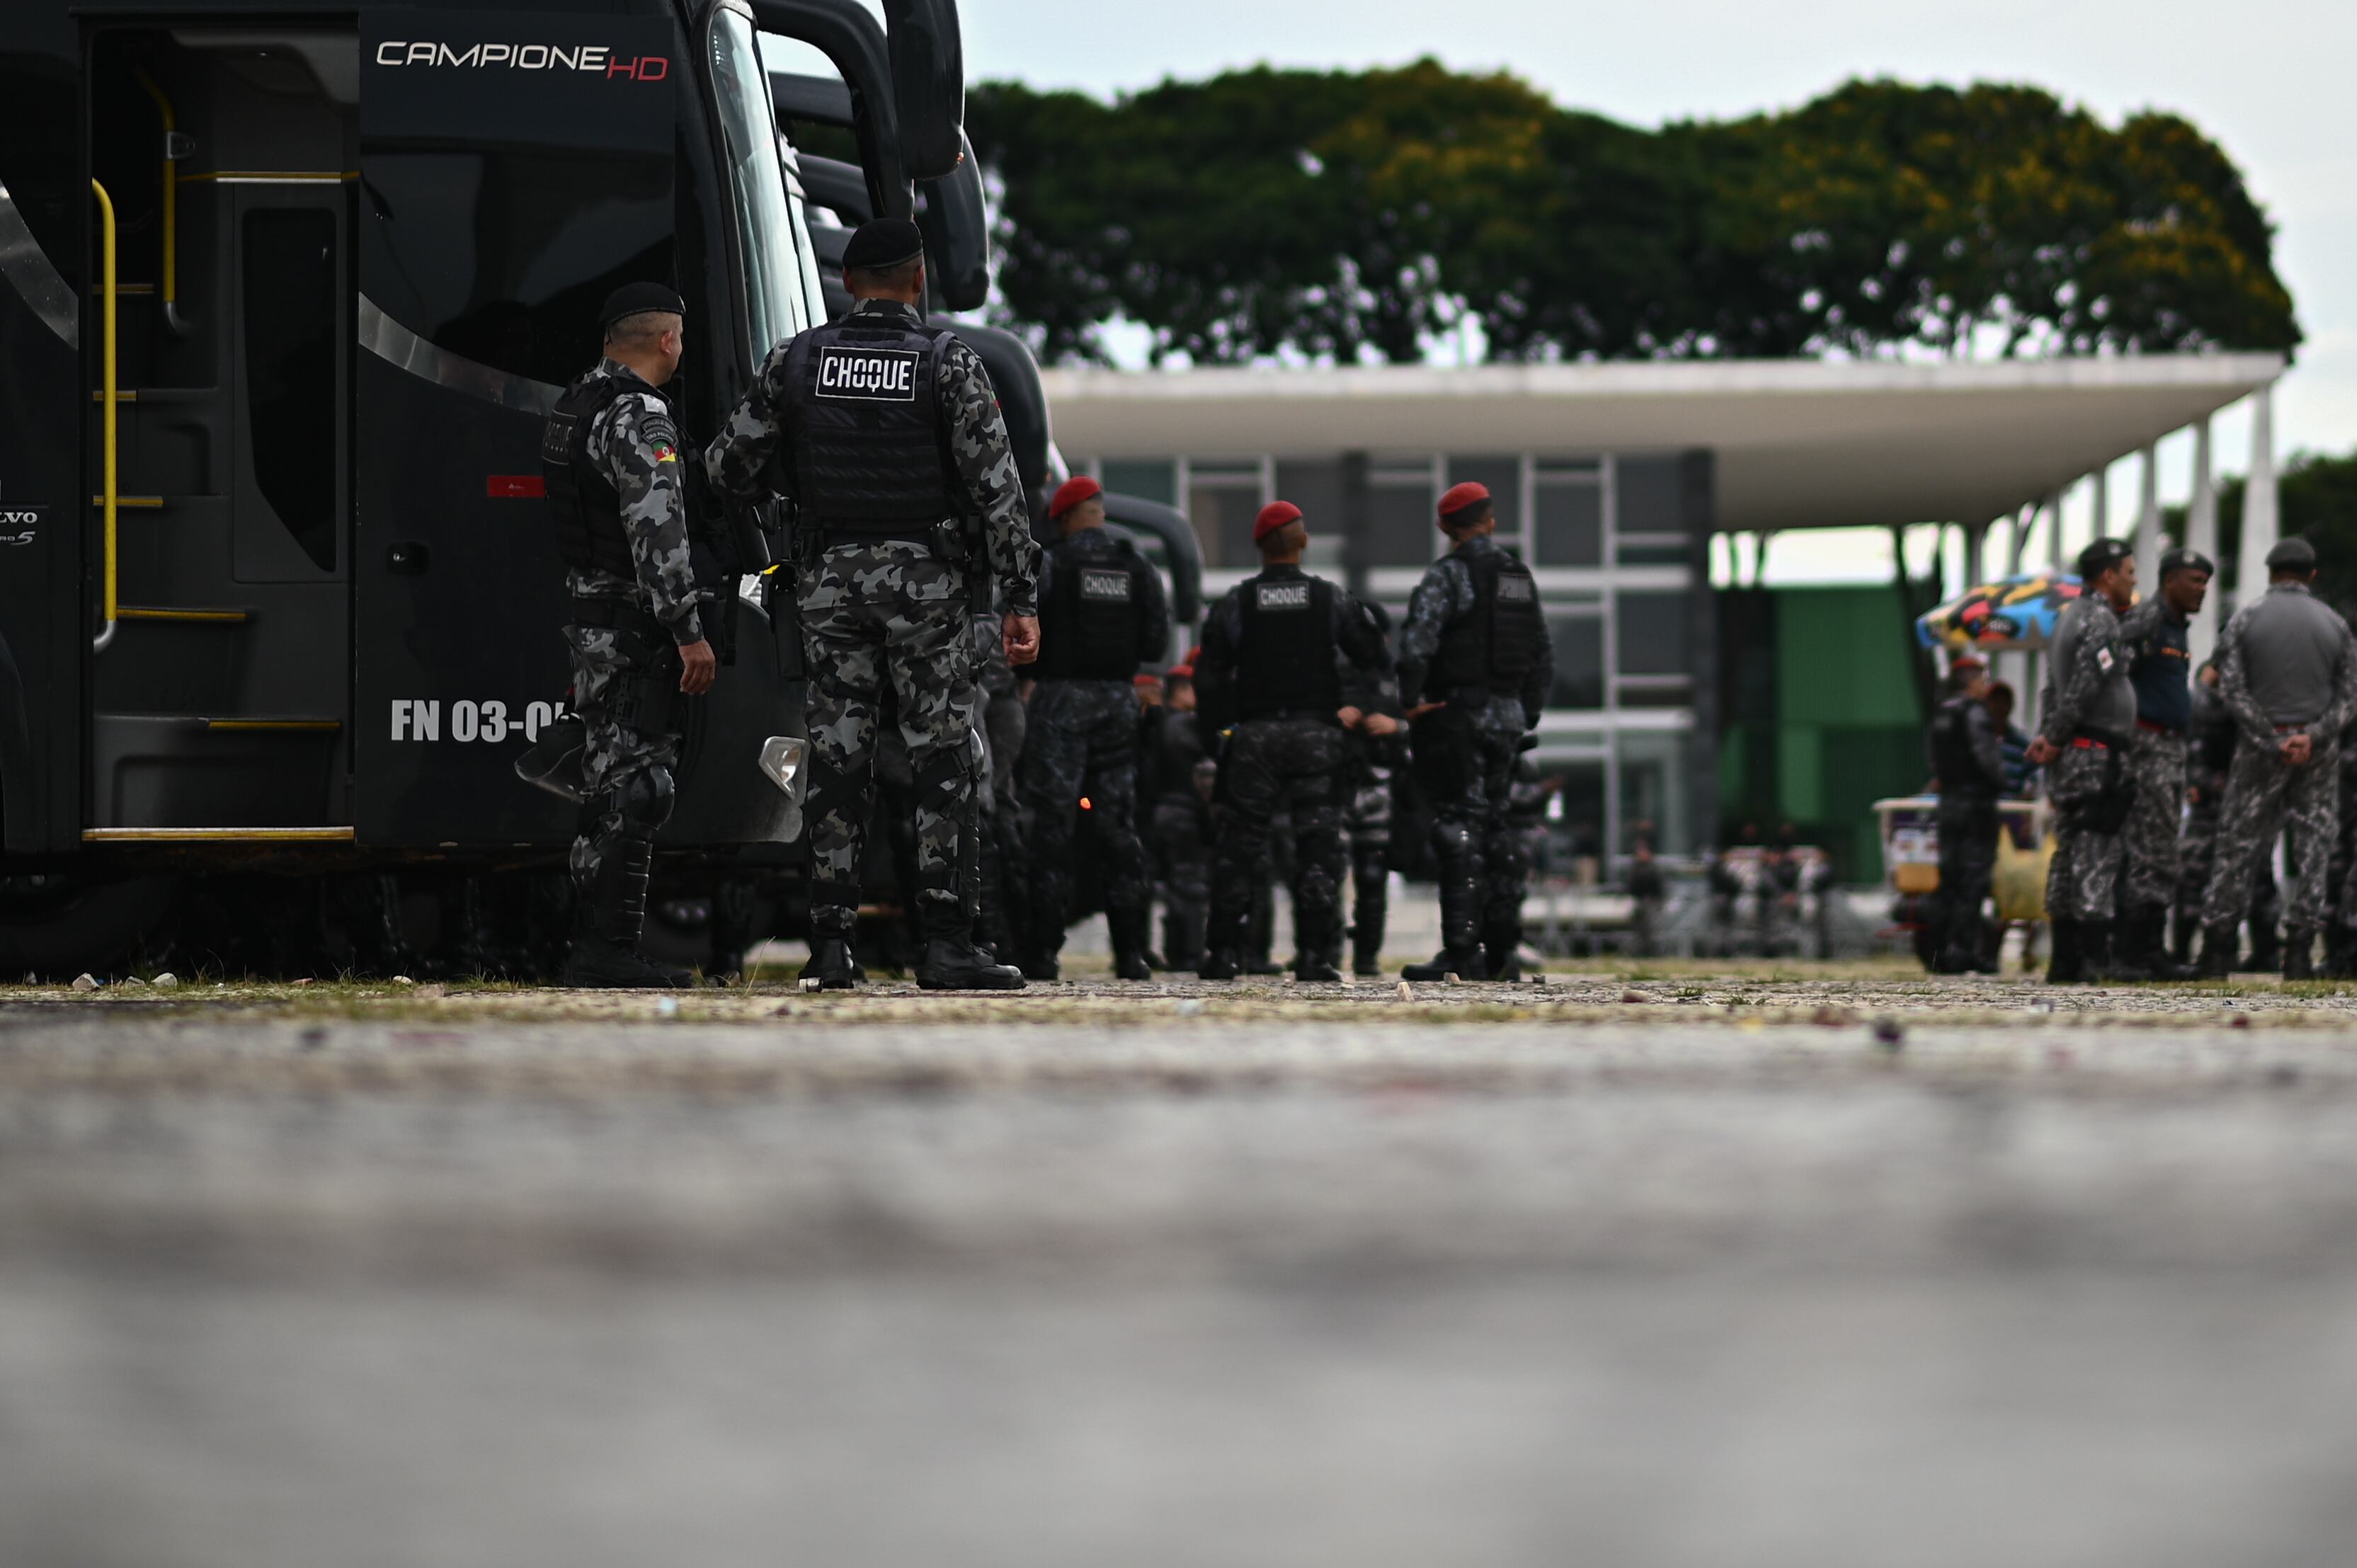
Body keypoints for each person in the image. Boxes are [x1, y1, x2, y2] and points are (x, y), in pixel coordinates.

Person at [705, 218, 1041, 991]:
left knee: (836, 759)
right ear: (917, 281)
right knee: (941, 756)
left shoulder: (795, 360)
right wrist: (1019, 595)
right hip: (928, 583)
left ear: (849, 283)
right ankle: (948, 946)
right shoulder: (947, 362)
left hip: (826, 580)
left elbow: (726, 465)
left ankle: (830, 949)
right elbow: (999, 490)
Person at [539, 282, 719, 988]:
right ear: (666, 339)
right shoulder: (639, 415)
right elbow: (656, 532)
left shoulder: (574, 401)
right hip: (633, 625)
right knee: (636, 783)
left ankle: (591, 944)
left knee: (606, 779)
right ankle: (605, 951)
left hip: (591, 617)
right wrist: (686, 628)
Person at [1192, 500, 1391, 980]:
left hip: (1255, 736)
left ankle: (1223, 954)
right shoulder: (1330, 600)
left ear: (1260, 546)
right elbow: (1375, 658)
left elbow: (1208, 675)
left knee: (1239, 847)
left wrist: (1223, 733)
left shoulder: (1236, 603)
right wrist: (1357, 706)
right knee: (1319, 845)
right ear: (1301, 542)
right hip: (1317, 735)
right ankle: (1317, 957)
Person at [1396, 481, 1556, 981]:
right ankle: (1504, 950)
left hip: (1459, 717)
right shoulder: (1518, 577)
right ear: (1489, 521)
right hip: (1505, 719)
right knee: (1498, 826)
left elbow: (1417, 645)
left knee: (1459, 827)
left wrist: (1411, 704)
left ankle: (1462, 951)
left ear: (1446, 528)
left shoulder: (1448, 576)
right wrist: (1524, 713)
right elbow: (1540, 652)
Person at [1016, 475, 1170, 980]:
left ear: (1062, 517)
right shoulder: (1136, 564)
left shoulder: (1053, 563)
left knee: (1051, 830)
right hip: (1118, 703)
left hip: (1060, 702)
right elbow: (1154, 644)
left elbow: (1022, 627)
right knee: (1119, 832)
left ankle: (1041, 954)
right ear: (1099, 514)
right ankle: (1131, 954)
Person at [2193, 537, 2357, 979]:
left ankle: (2217, 951)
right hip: (2317, 756)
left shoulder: (2245, 620)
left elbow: (2229, 688)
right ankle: (2300, 953)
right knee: (2313, 851)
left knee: (2237, 848)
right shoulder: (2335, 624)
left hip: (2257, 752)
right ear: (2312, 575)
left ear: (2270, 574)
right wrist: (2311, 736)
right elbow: (2349, 697)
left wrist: (2270, 739)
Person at [2026, 537, 2139, 984]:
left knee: (2069, 849)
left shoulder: (2067, 618)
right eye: (2129, 573)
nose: (2133, 582)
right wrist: (2054, 737)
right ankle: (2094, 959)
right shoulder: (2099, 619)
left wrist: (2049, 737)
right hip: (2095, 753)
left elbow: (2053, 690)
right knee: (2096, 846)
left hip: (2073, 753)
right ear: (2108, 576)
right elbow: (2086, 686)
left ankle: (2064, 959)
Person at [2113, 546, 2213, 978]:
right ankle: (2138, 952)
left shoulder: (2174, 625)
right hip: (2146, 749)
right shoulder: (2148, 621)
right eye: (2194, 581)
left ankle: (2147, 949)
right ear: (2169, 581)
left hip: (2170, 751)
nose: (2202, 590)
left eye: (2206, 583)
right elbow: (2116, 673)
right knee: (2150, 852)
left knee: (2160, 850)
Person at [2178, 660, 2281, 971]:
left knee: (2253, 874)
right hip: (2215, 797)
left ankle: (2259, 951)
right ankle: (2188, 950)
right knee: (2198, 873)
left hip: (2243, 796)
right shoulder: (2209, 700)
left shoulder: (2242, 700)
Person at [1340, 600, 1408, 976]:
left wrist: (1396, 727)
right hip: (1338, 782)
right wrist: (1335, 715)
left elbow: (1425, 722)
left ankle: (1367, 957)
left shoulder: (1397, 677)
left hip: (1381, 784)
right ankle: (1321, 956)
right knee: (1324, 872)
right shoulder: (1331, 672)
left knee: (1372, 878)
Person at [1926, 656, 2004, 973]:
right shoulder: (1974, 713)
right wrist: (2001, 782)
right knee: (1973, 879)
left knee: (1949, 877)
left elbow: (1933, 759)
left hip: (1949, 804)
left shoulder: (1942, 714)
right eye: (1982, 679)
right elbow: (1986, 757)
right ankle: (1964, 948)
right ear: (1971, 681)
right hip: (1975, 805)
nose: (1985, 685)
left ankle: (1940, 949)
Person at [1143, 662, 1213, 972]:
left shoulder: (1155, 724)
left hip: (1158, 811)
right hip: (1183, 810)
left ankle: (1169, 950)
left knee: (1168, 886)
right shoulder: (1184, 727)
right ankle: (1189, 953)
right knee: (1189, 885)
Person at [1987, 681, 2040, 799]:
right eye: (1995, 701)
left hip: (2012, 809)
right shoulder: (1977, 740)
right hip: (1982, 808)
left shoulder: (2022, 744)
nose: (1999, 707)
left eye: (2004, 702)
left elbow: (2033, 778)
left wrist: (2027, 795)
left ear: (2010, 706)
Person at [1626, 837, 1667, 957]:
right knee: (1639, 927)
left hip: (1651, 901)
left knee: (1650, 927)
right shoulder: (1635, 869)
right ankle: (1640, 949)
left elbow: (1659, 886)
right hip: (1638, 901)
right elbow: (1631, 886)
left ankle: (1651, 950)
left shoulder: (1653, 869)